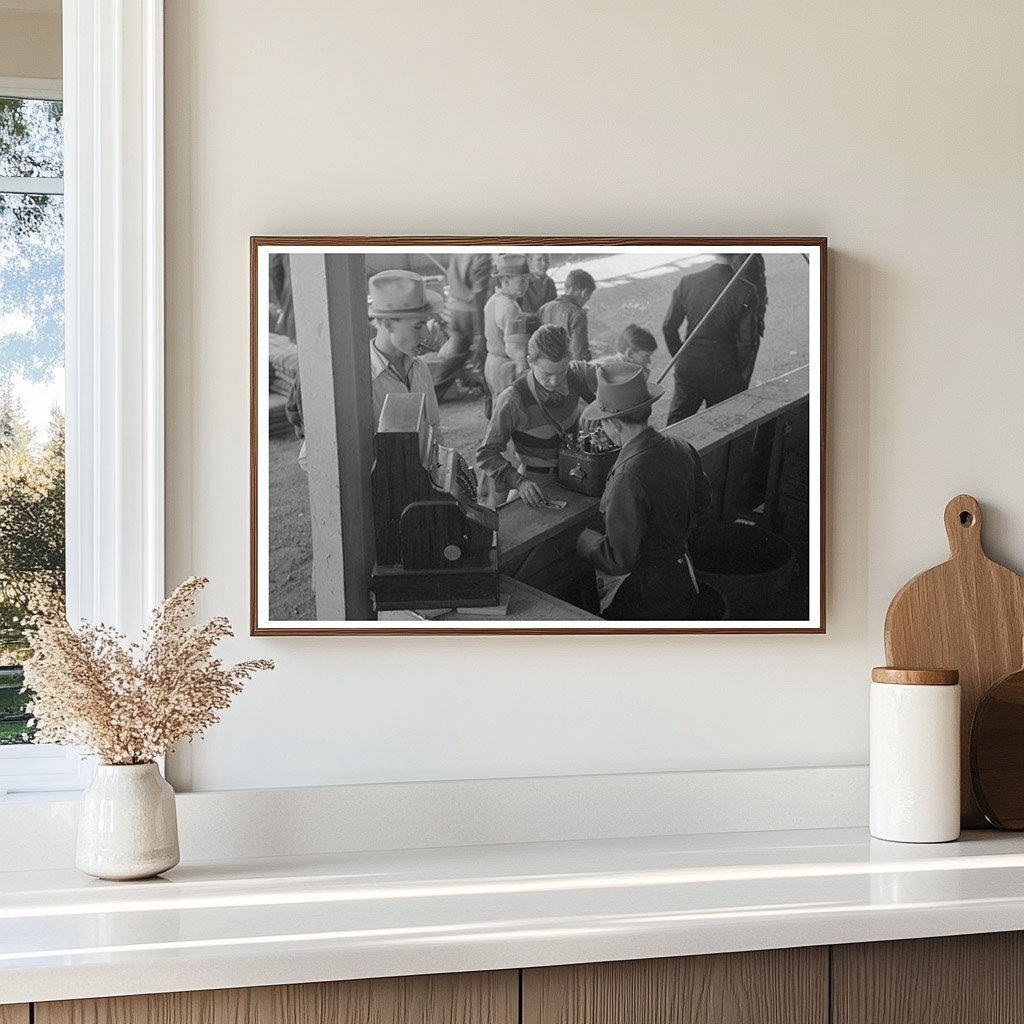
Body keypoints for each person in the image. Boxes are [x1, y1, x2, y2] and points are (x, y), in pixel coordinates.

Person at [576, 361, 712, 620]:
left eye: (603, 422)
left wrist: (583, 540)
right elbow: (703, 501)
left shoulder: (627, 477)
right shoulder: (680, 446)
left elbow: (618, 560)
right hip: (682, 576)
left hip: (644, 597)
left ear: (614, 422)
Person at [476, 324, 597, 508]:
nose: (554, 381)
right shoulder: (513, 399)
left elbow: (616, 379)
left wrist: (600, 406)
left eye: (561, 372)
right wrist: (519, 482)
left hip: (577, 476)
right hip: (537, 486)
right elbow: (486, 454)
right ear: (530, 362)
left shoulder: (575, 375)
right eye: (546, 374)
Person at [661, 253, 761, 426]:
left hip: (690, 365)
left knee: (678, 423)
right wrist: (737, 371)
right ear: (737, 254)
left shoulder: (687, 282)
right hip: (724, 369)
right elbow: (747, 342)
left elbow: (668, 327)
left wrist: (681, 357)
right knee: (722, 425)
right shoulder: (746, 290)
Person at [366, 269, 444, 433]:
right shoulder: (363, 380)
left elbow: (433, 428)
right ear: (388, 324)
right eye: (418, 326)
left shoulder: (419, 367)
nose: (426, 334)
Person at [425, 253, 492, 401]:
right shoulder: (482, 255)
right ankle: (492, 395)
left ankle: (431, 394)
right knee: (485, 354)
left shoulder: (461, 253)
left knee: (455, 358)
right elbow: (479, 294)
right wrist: (480, 332)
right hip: (471, 313)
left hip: (456, 310)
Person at [483, 254, 532, 399]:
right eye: (521, 280)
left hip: (491, 361)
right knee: (510, 406)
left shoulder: (494, 300)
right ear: (505, 281)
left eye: (527, 280)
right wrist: (523, 369)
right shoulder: (510, 308)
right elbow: (514, 348)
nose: (526, 285)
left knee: (498, 405)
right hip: (505, 366)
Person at [539, 269, 596, 360]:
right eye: (587, 298)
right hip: (564, 366)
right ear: (584, 292)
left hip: (542, 364)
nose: (585, 302)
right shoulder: (577, 315)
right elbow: (579, 354)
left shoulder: (544, 308)